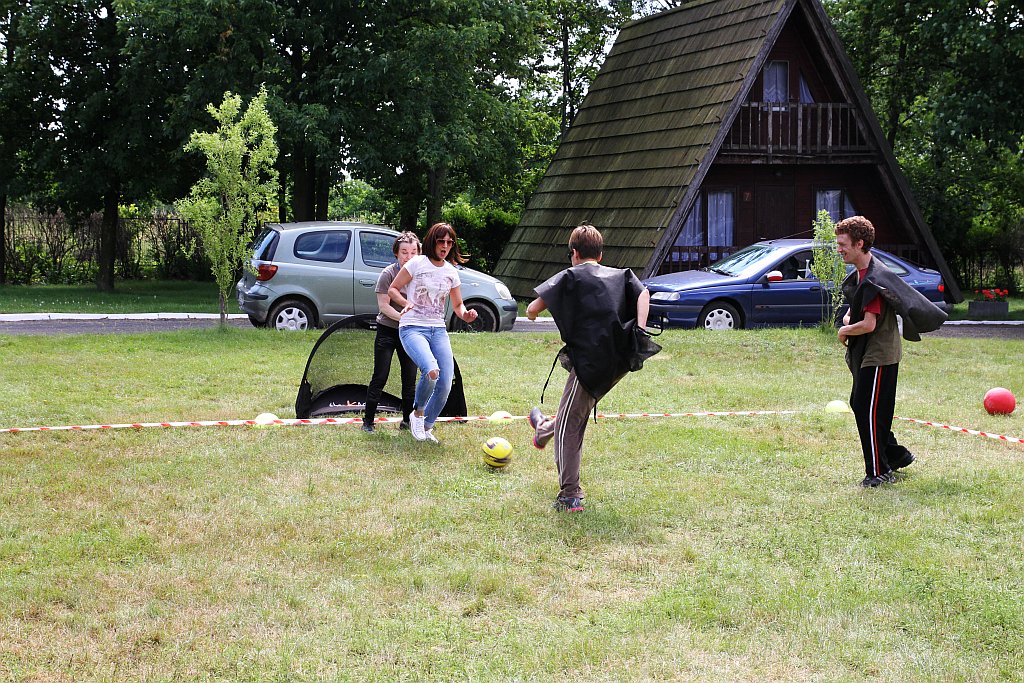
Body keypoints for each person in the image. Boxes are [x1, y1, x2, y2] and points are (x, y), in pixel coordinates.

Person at [526, 223, 651, 512]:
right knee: (575, 411)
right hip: (619, 361)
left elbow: (532, 308)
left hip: (590, 363)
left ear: (574, 253)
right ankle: (544, 429)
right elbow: (643, 294)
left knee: (571, 423)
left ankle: (570, 494)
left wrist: (533, 315)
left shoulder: (570, 275)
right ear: (601, 255)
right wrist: (641, 330)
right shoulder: (622, 274)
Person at [835, 216, 947, 487]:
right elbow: (856, 310)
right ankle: (896, 456)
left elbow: (869, 324)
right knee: (864, 405)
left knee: (869, 410)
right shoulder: (862, 273)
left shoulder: (875, 278)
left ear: (859, 244)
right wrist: (849, 318)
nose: (839, 249)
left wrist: (844, 330)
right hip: (869, 352)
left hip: (880, 354)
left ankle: (878, 471)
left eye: (843, 244)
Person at [388, 222, 478, 443]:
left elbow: (458, 305)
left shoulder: (451, 272)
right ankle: (417, 413)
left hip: (438, 330)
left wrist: (465, 314)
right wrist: (405, 303)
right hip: (412, 328)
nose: (445, 246)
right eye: (441, 241)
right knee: (431, 371)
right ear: (432, 242)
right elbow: (393, 289)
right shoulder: (416, 263)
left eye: (449, 242)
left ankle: (427, 427)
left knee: (445, 383)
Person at [362, 232, 421, 433]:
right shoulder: (388, 274)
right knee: (380, 376)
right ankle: (368, 421)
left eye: (413, 252)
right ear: (396, 253)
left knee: (410, 379)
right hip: (387, 331)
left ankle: (407, 421)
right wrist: (404, 319)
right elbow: (384, 307)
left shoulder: (420, 276)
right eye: (404, 252)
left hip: (410, 333)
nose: (408, 256)